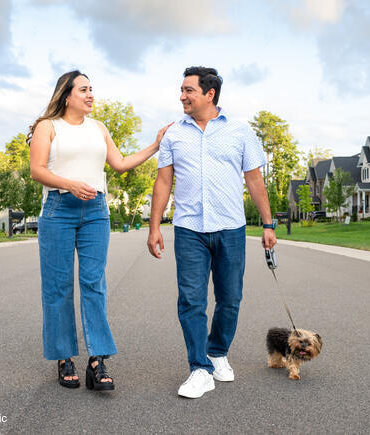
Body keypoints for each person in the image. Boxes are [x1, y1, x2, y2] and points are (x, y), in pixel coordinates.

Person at [29, 70, 170, 391]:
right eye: (83, 90)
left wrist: (155, 145)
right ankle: (64, 358)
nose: (91, 95)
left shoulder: (99, 128)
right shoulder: (47, 127)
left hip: (95, 211)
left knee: (94, 284)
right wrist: (70, 184)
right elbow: (36, 170)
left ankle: (97, 360)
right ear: (67, 95)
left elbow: (119, 163)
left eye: (92, 89)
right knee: (58, 287)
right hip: (58, 210)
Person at [147, 66, 277, 399]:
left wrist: (267, 224)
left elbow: (255, 180)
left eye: (188, 90)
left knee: (230, 298)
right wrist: (154, 226)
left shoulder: (240, 131)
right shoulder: (174, 133)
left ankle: (217, 352)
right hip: (189, 229)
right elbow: (163, 182)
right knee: (191, 300)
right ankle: (199, 369)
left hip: (231, 228)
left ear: (210, 94)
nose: (182, 96)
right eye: (181, 89)